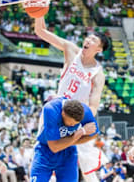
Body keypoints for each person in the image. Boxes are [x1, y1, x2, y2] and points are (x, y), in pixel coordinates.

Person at [35, 16, 108, 182]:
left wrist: (82, 122)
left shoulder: (98, 74)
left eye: (93, 40)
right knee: (46, 150)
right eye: (88, 37)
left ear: (99, 49)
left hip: (76, 118)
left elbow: (94, 105)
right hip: (57, 111)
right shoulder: (71, 50)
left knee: (86, 166)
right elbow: (40, 32)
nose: (88, 40)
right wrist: (39, 12)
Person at [30, 98, 99, 182]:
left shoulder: (85, 111)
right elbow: (54, 147)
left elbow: (94, 134)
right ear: (63, 113)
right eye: (70, 123)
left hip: (68, 152)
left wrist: (68, 142)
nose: (72, 125)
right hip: (46, 150)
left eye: (75, 124)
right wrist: (78, 133)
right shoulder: (51, 109)